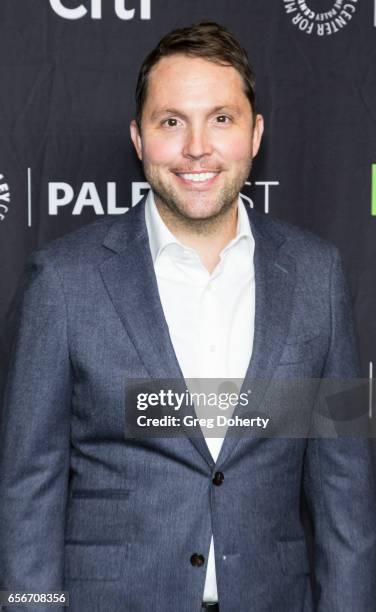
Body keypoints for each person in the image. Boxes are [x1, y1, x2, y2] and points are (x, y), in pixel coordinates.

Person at [0, 21, 375, 612]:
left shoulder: (318, 275)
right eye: (171, 121)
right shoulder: (63, 281)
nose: (196, 146)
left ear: (254, 135)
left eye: (221, 119)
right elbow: (28, 485)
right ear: (138, 137)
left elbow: (345, 487)